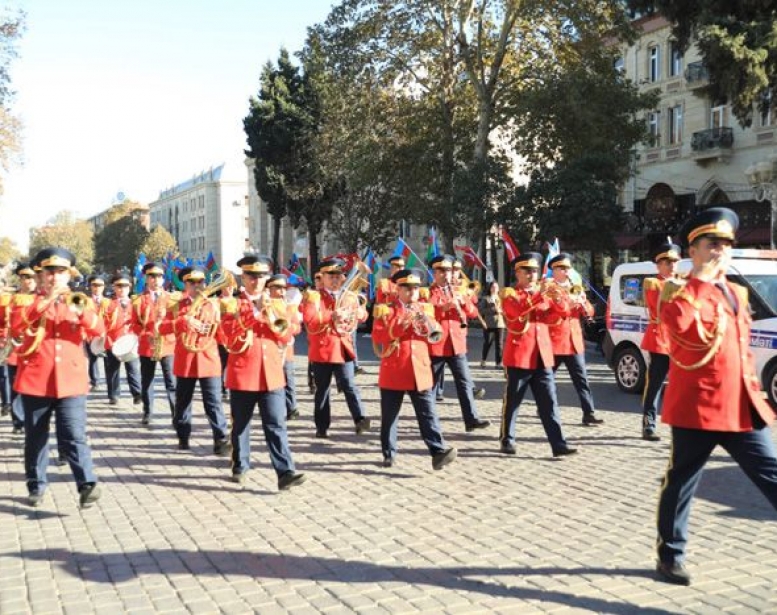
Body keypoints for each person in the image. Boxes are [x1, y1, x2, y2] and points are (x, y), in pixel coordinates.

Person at [654, 207, 777, 586]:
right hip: (697, 406)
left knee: (772, 473)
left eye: (726, 244)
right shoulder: (678, 291)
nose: (720, 251)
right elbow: (678, 331)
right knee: (682, 481)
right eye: (712, 244)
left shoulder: (737, 290)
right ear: (693, 250)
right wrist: (700, 282)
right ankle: (670, 554)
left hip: (741, 404)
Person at [11, 247, 105, 508]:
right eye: (49, 272)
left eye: (60, 271)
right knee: (36, 437)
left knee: (73, 434)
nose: (54, 277)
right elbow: (17, 328)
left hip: (70, 380)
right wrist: (46, 300)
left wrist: (79, 309)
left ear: (69, 275)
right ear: (40, 275)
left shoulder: (77, 300)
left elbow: (98, 329)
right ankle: (36, 485)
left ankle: (87, 484)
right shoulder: (26, 301)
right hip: (36, 380)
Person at [221, 255, 305, 490]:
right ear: (243, 278)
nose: (256, 281)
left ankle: (285, 472)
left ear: (267, 278)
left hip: (271, 374)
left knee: (276, 424)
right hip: (243, 372)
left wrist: (270, 319)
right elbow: (226, 337)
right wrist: (253, 315)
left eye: (261, 277)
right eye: (251, 276)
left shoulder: (277, 305)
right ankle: (240, 465)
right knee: (241, 425)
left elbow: (287, 337)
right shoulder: (233, 304)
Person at [372, 268, 457, 470]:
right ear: (398, 289)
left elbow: (437, 336)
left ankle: (437, 451)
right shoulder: (386, 310)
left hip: (420, 369)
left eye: (415, 288)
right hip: (395, 368)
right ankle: (389, 453)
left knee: (428, 413)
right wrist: (403, 323)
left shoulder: (426, 310)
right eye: (407, 288)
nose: (412, 292)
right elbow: (379, 337)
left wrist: (429, 326)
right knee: (390, 416)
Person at [499, 253, 577, 457]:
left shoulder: (544, 293)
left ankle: (558, 444)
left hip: (543, 354)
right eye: (527, 270)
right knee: (513, 401)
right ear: (517, 273)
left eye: (535, 271)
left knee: (549, 402)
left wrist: (559, 300)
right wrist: (540, 295)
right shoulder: (510, 294)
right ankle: (507, 438)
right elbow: (517, 313)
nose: (532, 274)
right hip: (519, 354)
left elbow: (559, 315)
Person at [158, 266, 231, 455]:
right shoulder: (176, 305)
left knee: (213, 402)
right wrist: (183, 322)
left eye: (201, 282)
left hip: (209, 359)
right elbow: (162, 328)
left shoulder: (213, 305)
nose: (197, 286)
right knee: (182, 403)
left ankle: (221, 439)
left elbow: (223, 333)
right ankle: (183, 435)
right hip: (186, 360)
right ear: (185, 284)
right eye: (192, 282)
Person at [300, 257, 371, 439]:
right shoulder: (314, 297)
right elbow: (310, 320)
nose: (335, 279)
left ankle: (360, 419)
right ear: (321, 277)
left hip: (343, 347)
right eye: (330, 275)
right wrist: (332, 315)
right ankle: (322, 427)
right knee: (322, 390)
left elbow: (361, 314)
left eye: (338, 275)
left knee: (349, 384)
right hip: (323, 349)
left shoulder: (349, 295)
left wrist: (361, 314)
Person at [426, 255, 490, 431]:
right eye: (441, 271)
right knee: (431, 386)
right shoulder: (428, 292)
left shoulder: (458, 290)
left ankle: (471, 419)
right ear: (435, 273)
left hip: (457, 344)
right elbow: (426, 315)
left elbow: (473, 312)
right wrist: (444, 307)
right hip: (437, 345)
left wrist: (464, 303)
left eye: (448, 271)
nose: (445, 274)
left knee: (464, 383)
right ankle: (429, 422)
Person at [546, 253, 604, 426]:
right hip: (555, 341)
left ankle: (589, 412)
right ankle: (546, 408)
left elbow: (589, 311)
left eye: (568, 268)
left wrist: (584, 303)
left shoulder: (575, 287)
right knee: (547, 380)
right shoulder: (549, 288)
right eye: (562, 268)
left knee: (582, 379)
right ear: (554, 270)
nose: (566, 271)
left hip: (574, 341)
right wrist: (570, 303)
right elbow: (552, 312)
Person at [640, 241, 681, 441]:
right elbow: (660, 308)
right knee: (655, 383)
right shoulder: (653, 283)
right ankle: (648, 425)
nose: (672, 265)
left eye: (674, 261)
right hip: (661, 339)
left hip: (681, 341)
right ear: (659, 265)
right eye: (667, 262)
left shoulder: (685, 283)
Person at [130, 262, 177, 425]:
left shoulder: (172, 299)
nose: (155, 280)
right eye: (152, 276)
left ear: (163, 279)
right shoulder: (138, 300)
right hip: (147, 345)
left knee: (171, 381)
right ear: (146, 278)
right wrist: (146, 334)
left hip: (167, 345)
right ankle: (148, 411)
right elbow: (134, 324)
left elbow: (176, 321)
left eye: (159, 276)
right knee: (147, 380)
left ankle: (175, 413)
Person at [0, 262, 38, 434]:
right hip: (15, 349)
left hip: (37, 349)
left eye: (31, 276)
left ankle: (33, 419)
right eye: (24, 277)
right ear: (19, 278)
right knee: (15, 384)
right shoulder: (9, 300)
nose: (28, 280)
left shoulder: (43, 299)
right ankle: (18, 421)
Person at [265, 274, 302, 420]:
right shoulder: (265, 305)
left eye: (283, 288)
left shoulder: (289, 305)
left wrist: (289, 328)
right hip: (270, 348)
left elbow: (298, 326)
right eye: (278, 287)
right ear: (269, 288)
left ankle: (292, 408)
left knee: (289, 379)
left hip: (286, 348)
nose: (282, 291)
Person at [103, 273, 142, 406]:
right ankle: (113, 395)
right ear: (114, 287)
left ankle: (137, 393)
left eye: (125, 285)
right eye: (118, 286)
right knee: (113, 370)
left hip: (131, 341)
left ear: (130, 287)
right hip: (113, 341)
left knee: (133, 368)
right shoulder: (108, 304)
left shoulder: (136, 303)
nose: (122, 288)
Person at [84, 274, 110, 391]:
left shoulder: (109, 302)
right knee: (92, 359)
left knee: (109, 360)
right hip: (91, 335)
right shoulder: (86, 301)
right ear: (90, 286)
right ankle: (95, 381)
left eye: (99, 285)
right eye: (94, 285)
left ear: (104, 287)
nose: (97, 287)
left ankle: (110, 382)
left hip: (107, 335)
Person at [478, 280, 505, 369]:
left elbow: (506, 309)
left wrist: (503, 311)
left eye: (496, 287)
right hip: (489, 324)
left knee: (499, 344)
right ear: (490, 288)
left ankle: (499, 363)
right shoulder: (486, 298)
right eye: (493, 287)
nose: (494, 289)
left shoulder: (501, 298)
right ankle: (483, 360)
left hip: (500, 324)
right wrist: (493, 310)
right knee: (488, 343)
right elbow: (481, 310)